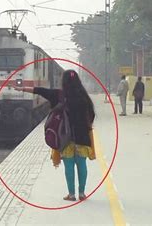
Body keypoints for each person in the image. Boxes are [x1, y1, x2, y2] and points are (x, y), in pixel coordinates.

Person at [15, 70, 95, 201]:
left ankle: (71, 194)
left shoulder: (58, 95)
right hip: (82, 137)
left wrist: (22, 88)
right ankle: (82, 193)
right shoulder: (84, 96)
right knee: (82, 165)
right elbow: (91, 115)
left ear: (63, 81)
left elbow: (40, 90)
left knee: (69, 166)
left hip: (64, 137)